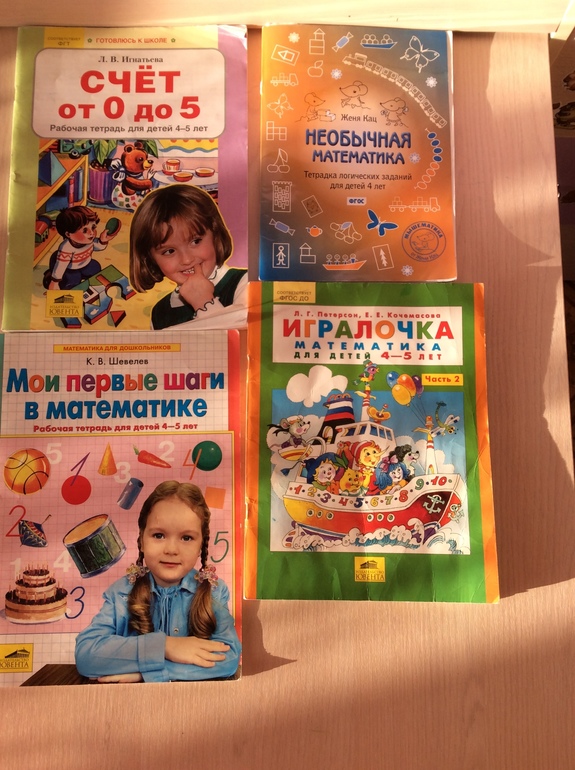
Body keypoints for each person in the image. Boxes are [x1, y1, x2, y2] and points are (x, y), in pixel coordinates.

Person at [75, 481, 241, 683]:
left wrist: (147, 673)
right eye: (159, 535)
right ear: (141, 541)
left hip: (194, 701)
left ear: (201, 546)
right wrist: (165, 646)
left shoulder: (213, 591)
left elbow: (228, 659)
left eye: (186, 538)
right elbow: (86, 656)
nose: (171, 549)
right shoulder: (122, 592)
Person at [129, 184, 248, 330]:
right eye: (169, 251)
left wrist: (204, 303)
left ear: (215, 234)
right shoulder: (159, 313)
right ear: (150, 259)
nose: (186, 260)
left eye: (195, 241)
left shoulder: (245, 284)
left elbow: (244, 340)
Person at [43, 205, 117, 290]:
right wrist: (55, 282)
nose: (91, 233)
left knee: (96, 268)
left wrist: (103, 240)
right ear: (68, 234)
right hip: (68, 268)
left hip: (84, 264)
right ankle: (50, 275)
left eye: (93, 227)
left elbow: (99, 246)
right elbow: (61, 266)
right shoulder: (66, 248)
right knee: (71, 283)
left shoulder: (89, 240)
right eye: (85, 230)